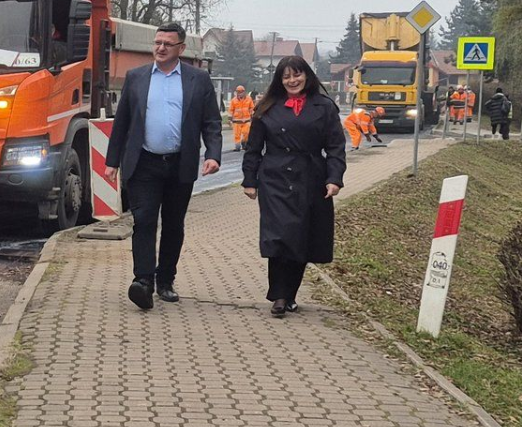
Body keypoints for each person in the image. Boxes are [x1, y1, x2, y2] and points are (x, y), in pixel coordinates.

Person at [104, 22, 224, 310]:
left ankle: (165, 280)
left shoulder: (198, 80)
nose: (160, 48)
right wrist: (111, 161)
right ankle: (143, 281)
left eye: (167, 44)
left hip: (179, 164)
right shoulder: (137, 77)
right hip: (143, 162)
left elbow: (211, 122)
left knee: (173, 224)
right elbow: (122, 122)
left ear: (181, 48)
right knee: (144, 220)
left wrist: (213, 154)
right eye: (157, 42)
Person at [242, 56, 347, 317]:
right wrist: (249, 180)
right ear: (279, 80)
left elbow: (335, 147)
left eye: (297, 75)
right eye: (286, 76)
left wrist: (334, 178)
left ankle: (290, 294)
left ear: (307, 75)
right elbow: (253, 148)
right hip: (275, 178)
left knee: (301, 236)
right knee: (279, 235)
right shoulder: (266, 107)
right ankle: (278, 295)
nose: (292, 80)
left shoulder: (324, 106)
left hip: (310, 177)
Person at [229, 84, 254, 151]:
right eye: (238, 92)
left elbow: (251, 107)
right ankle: (237, 146)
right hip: (237, 121)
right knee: (237, 135)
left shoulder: (249, 99)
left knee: (247, 133)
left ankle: (244, 142)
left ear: (244, 92)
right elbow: (231, 110)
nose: (240, 93)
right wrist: (230, 119)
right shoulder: (233, 100)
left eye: (241, 92)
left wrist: (252, 114)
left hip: (246, 120)